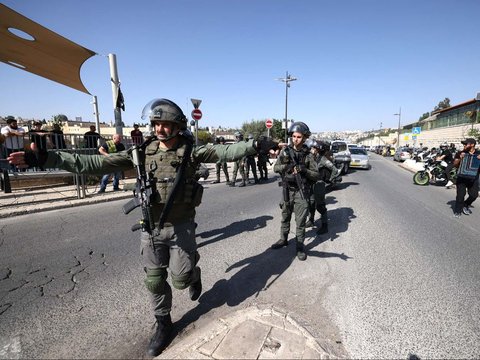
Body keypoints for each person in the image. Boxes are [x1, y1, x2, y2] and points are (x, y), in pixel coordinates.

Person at [7, 98, 278, 356]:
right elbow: (95, 163)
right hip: (150, 227)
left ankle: (193, 273)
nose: (160, 128)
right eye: (156, 123)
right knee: (154, 280)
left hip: (181, 226)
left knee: (181, 279)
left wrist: (255, 145)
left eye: (165, 124)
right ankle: (163, 324)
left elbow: (225, 151)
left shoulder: (191, 152)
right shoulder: (140, 153)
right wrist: (46, 159)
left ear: (177, 126)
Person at [270, 122, 320, 261]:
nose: (295, 139)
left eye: (298, 137)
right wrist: (287, 166)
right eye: (293, 136)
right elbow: (276, 168)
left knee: (300, 222)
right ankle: (283, 239)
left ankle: (299, 247)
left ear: (304, 138)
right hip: (287, 189)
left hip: (301, 191)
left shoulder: (308, 155)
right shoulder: (285, 151)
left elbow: (316, 175)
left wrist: (304, 170)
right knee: (285, 216)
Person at [305, 139, 341, 234]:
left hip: (319, 184)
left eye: (313, 148)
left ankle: (325, 226)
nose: (311, 150)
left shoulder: (322, 159)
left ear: (317, 149)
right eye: (311, 148)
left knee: (320, 206)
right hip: (310, 184)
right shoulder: (309, 157)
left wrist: (330, 180)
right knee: (311, 204)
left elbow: (334, 169)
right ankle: (311, 221)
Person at [453, 138, 480, 218]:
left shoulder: (479, 153)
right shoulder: (460, 153)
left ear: (472, 145)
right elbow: (455, 164)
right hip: (462, 178)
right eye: (463, 144)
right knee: (460, 195)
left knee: (474, 195)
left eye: (466, 144)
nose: (464, 145)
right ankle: (457, 211)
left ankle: (466, 204)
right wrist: (460, 159)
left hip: (474, 179)